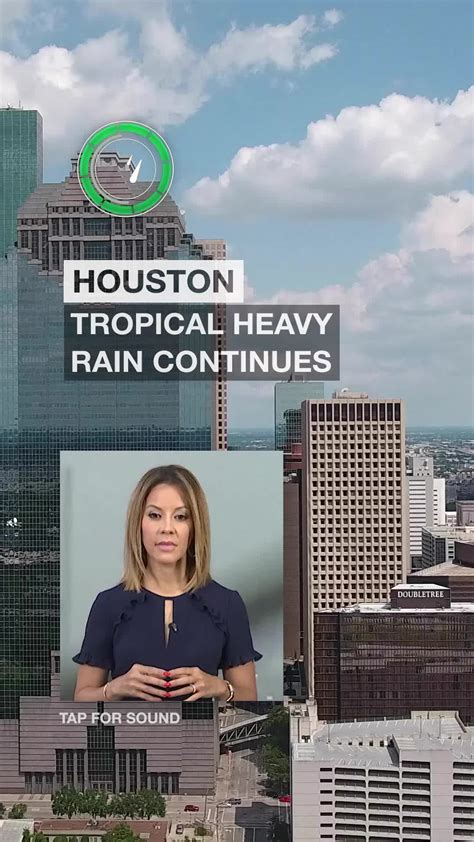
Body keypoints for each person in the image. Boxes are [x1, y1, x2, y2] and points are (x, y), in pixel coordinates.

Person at [73, 464, 261, 702]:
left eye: (180, 517)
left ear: (195, 527)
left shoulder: (227, 604)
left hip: (200, 727)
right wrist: (113, 689)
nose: (167, 529)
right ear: (138, 523)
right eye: (155, 515)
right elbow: (81, 697)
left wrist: (222, 688)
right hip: (130, 726)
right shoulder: (108, 604)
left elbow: (249, 697)